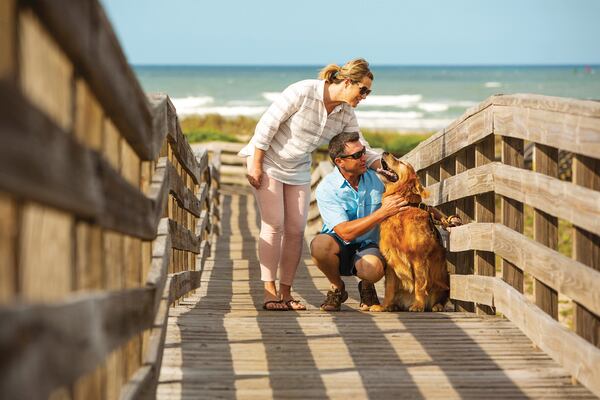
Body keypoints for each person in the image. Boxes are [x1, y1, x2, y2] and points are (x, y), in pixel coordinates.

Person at [238, 58, 380, 311]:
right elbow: (267, 125)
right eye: (363, 90)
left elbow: (363, 148)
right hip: (269, 160)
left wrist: (385, 167)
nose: (365, 96)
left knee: (295, 230)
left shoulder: (345, 113)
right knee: (274, 225)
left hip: (299, 168)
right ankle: (269, 290)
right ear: (348, 82)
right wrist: (256, 163)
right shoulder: (303, 91)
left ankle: (286, 293)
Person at [310, 132, 408, 311]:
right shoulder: (327, 188)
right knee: (319, 245)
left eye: (363, 152)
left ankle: (367, 286)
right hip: (339, 244)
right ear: (339, 161)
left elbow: (408, 189)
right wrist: (382, 213)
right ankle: (337, 287)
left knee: (373, 270)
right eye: (357, 156)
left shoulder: (379, 177)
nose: (364, 158)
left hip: (369, 244)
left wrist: (439, 217)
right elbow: (345, 232)